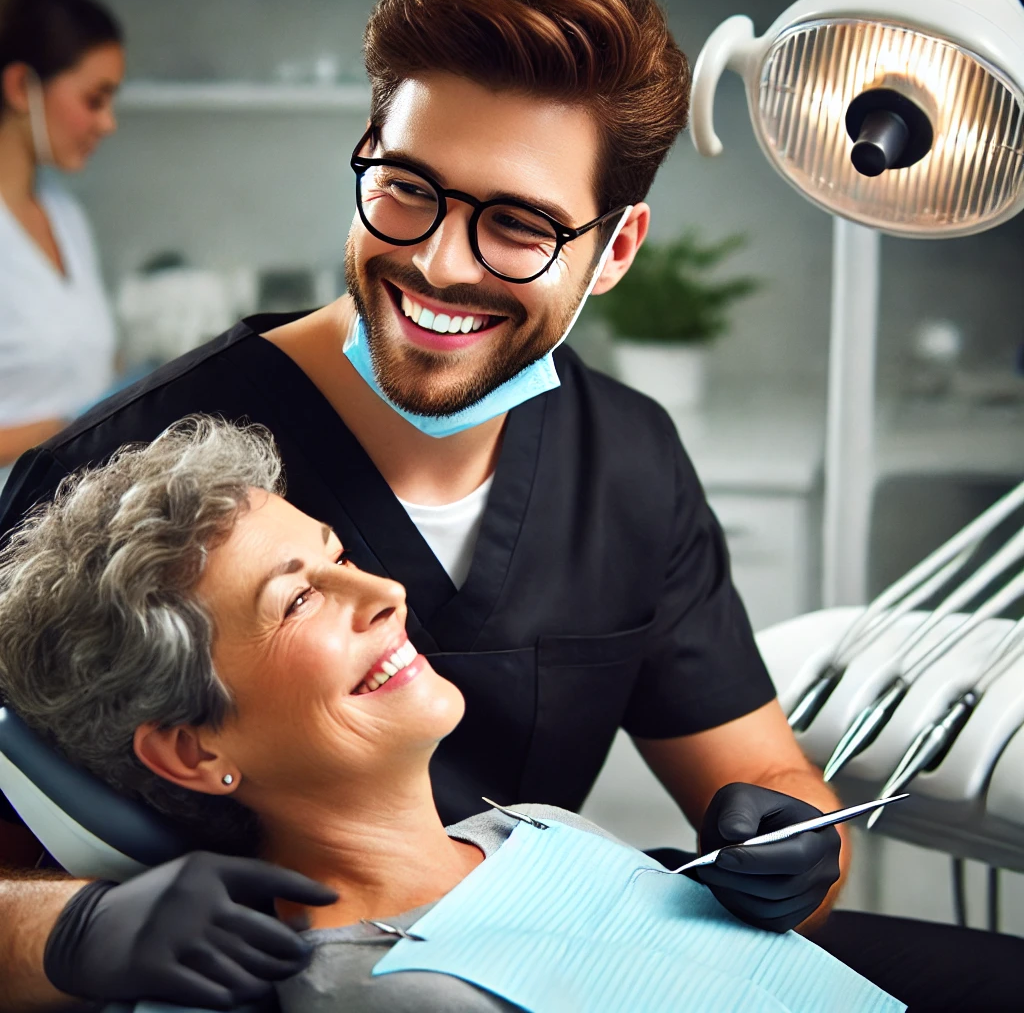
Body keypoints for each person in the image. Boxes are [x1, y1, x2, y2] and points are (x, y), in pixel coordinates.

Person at [0, 0, 1017, 1010]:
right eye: (407, 189)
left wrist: (797, 856)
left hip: (581, 938)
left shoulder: (625, 460)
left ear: (614, 249)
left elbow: (778, 789)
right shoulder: (115, 488)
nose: (439, 261)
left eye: (519, 224)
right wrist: (74, 932)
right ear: (367, 152)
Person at [0, 415, 891, 1012]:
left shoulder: (529, 830)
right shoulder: (391, 987)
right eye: (297, 601)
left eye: (338, 555)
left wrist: (794, 853)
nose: (386, 592)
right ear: (194, 750)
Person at [0, 0, 121, 487]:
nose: (108, 123)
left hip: (69, 523)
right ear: (19, 86)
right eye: (94, 99)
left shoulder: (67, 219)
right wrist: (66, 429)